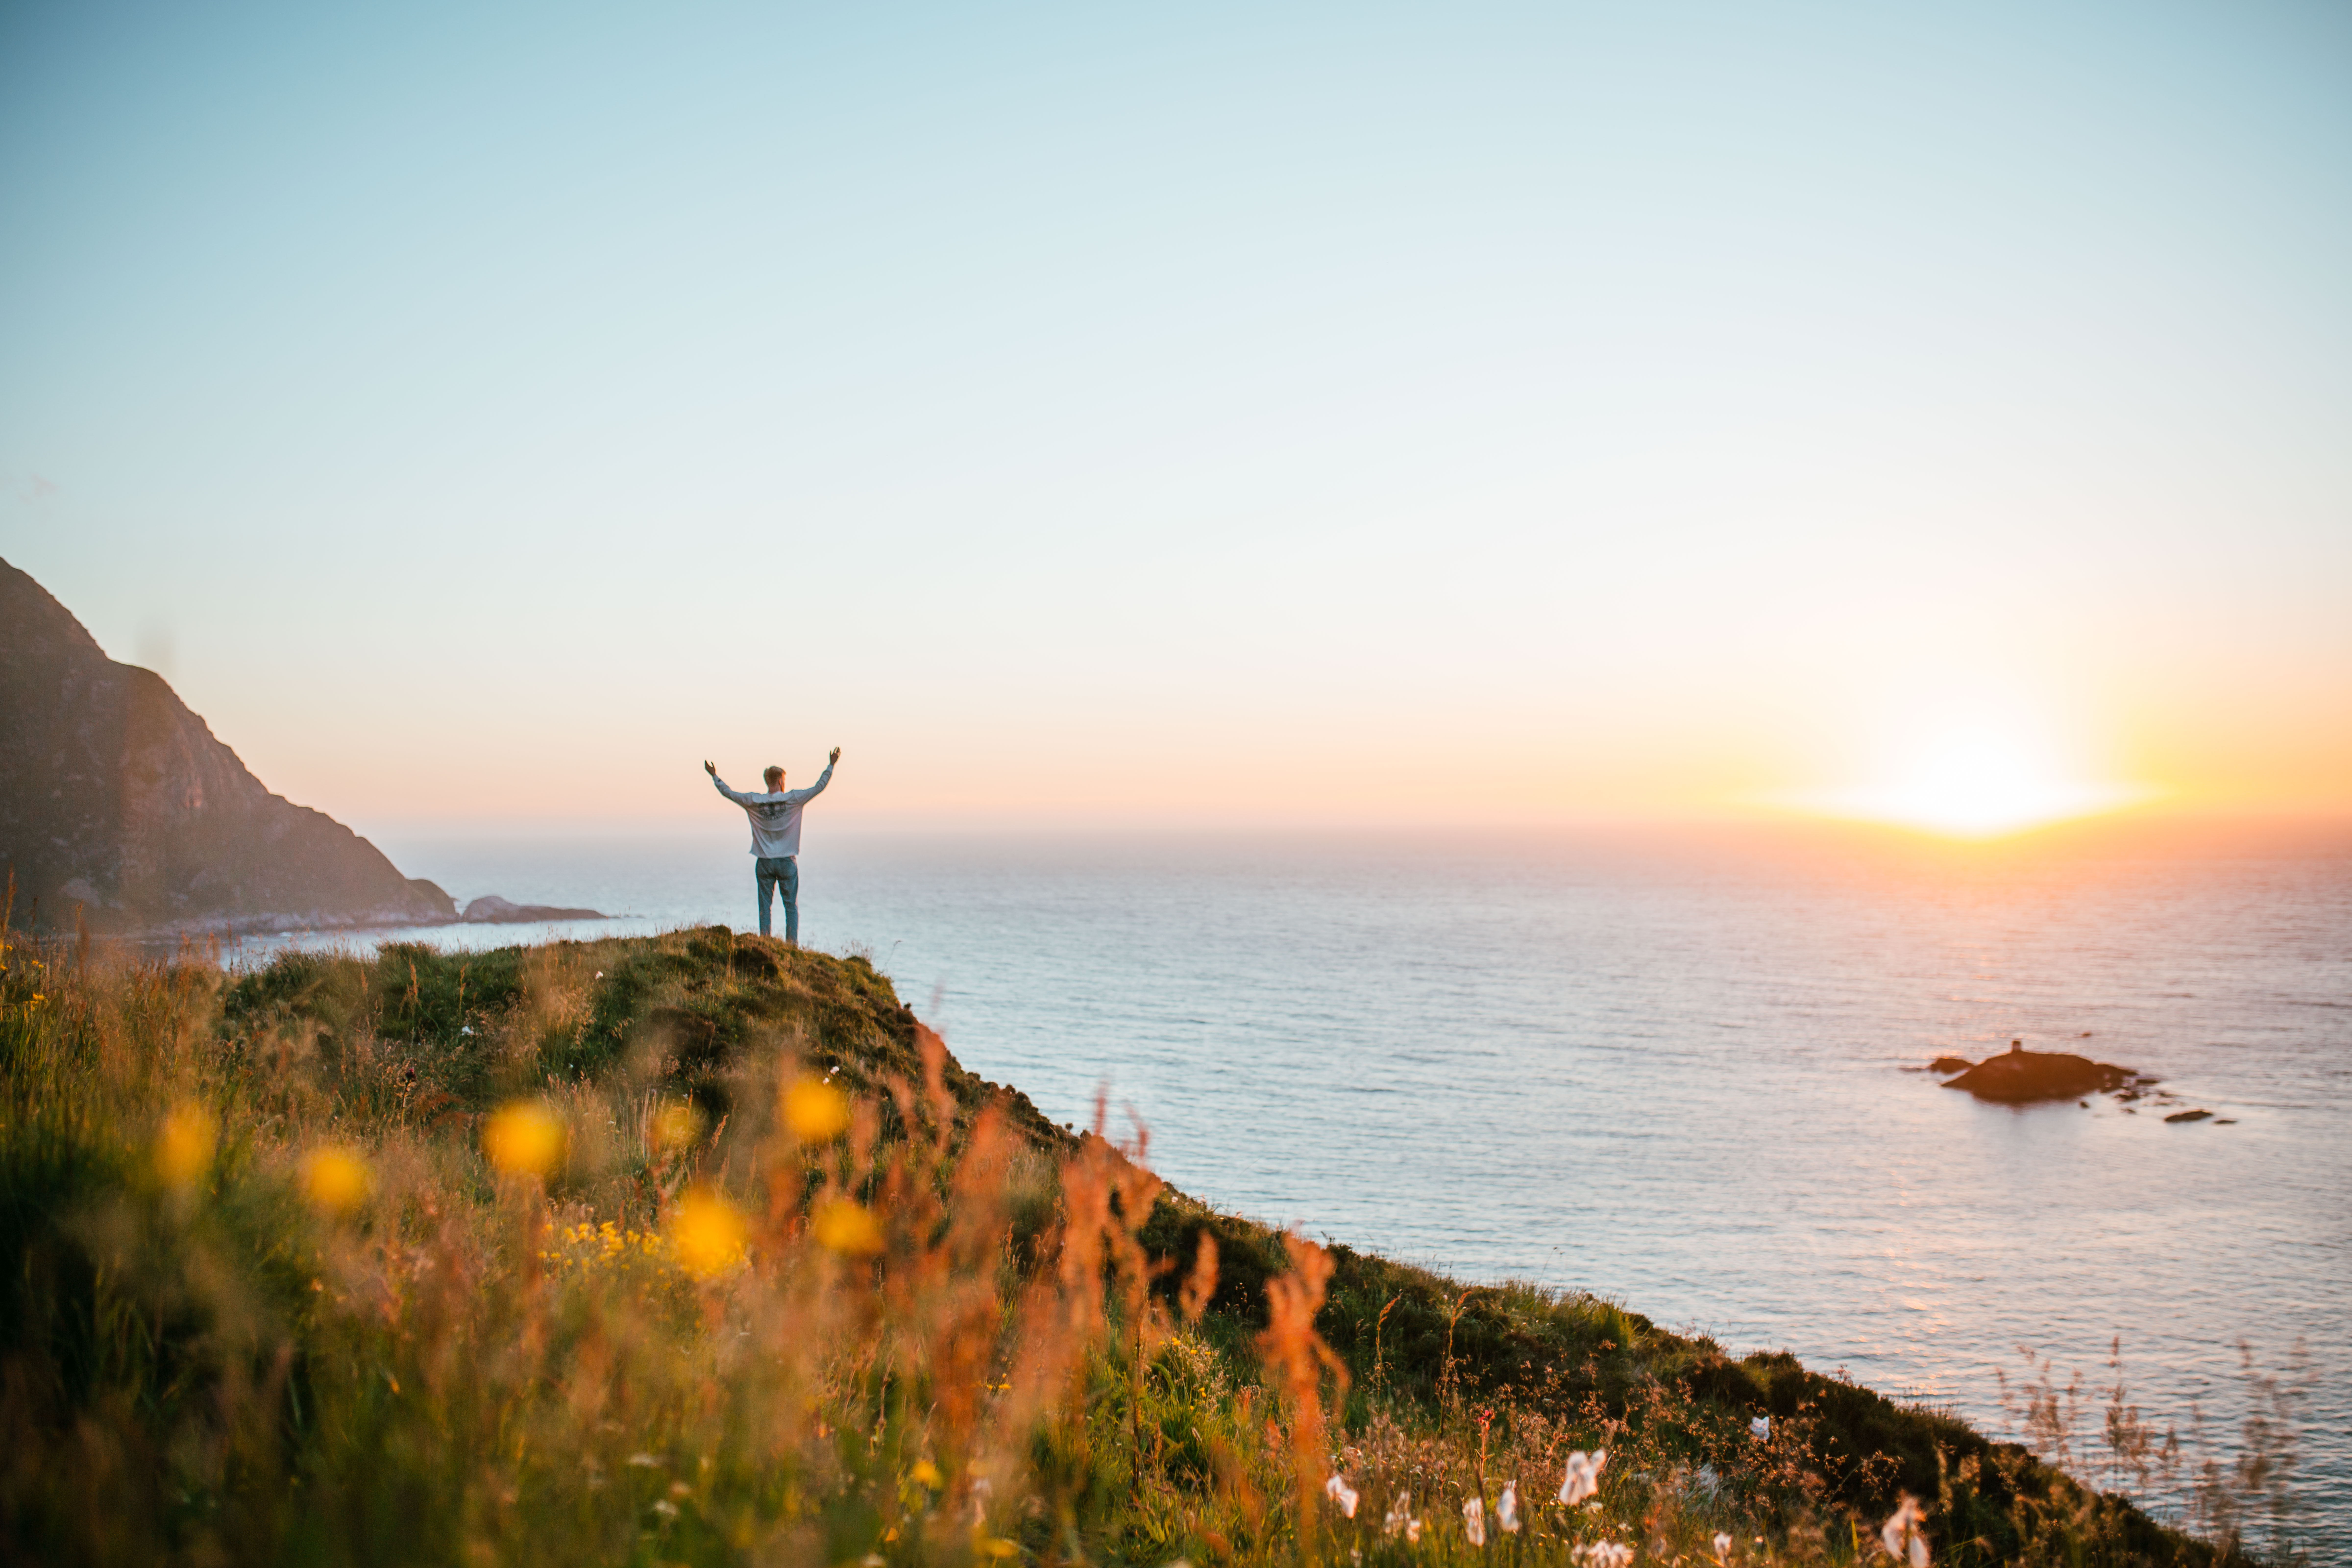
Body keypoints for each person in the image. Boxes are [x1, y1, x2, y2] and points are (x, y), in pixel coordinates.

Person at [705, 748, 839, 944]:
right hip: (786, 861)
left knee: (765, 907)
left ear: (767, 781)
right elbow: (819, 787)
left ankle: (765, 944)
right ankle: (791, 947)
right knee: (791, 907)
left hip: (765, 862)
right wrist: (831, 764)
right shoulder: (793, 799)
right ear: (780, 781)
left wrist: (715, 776)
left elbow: (729, 793)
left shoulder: (754, 801)